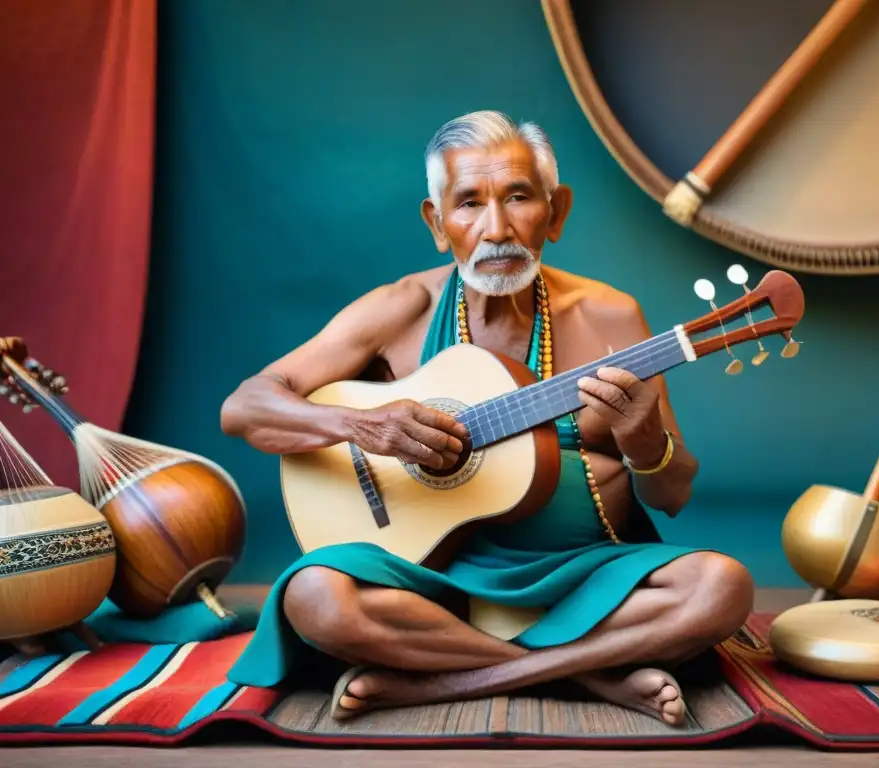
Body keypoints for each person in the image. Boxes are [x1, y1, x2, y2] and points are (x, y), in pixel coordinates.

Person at [220, 110, 754, 726]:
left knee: (722, 586)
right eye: (469, 203)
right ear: (437, 222)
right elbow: (246, 406)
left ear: (555, 213)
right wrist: (362, 426)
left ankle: (441, 680)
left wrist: (643, 440)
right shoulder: (404, 308)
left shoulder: (607, 317)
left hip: (583, 578)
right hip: (430, 582)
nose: (496, 228)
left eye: (519, 197)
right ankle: (590, 674)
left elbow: (672, 495)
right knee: (317, 597)